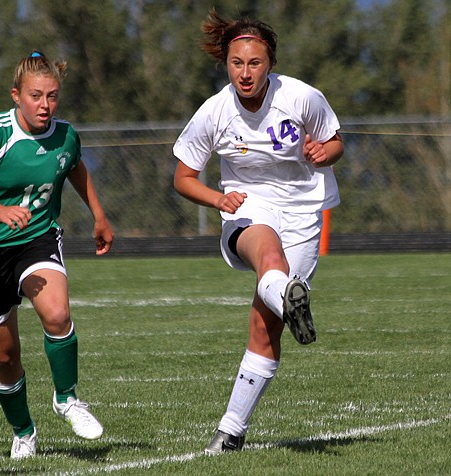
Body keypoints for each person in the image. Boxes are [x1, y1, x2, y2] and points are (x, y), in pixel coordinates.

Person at [173, 10, 344, 455]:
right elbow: (183, 177)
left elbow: (335, 142)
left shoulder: (303, 97)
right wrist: (217, 200)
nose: (245, 73)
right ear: (225, 64)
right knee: (269, 261)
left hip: (304, 212)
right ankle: (290, 296)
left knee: (263, 328)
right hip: (248, 207)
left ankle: (231, 432)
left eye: (254, 64)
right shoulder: (214, 112)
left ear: (270, 64)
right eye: (236, 63)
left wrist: (323, 153)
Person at [0, 51, 114, 459]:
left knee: (57, 314)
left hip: (37, 238)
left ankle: (67, 398)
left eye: (52, 96)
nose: (45, 105)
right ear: (17, 95)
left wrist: (99, 216)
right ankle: (24, 432)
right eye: (36, 96)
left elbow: (73, 166)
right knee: (4, 355)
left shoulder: (65, 134)